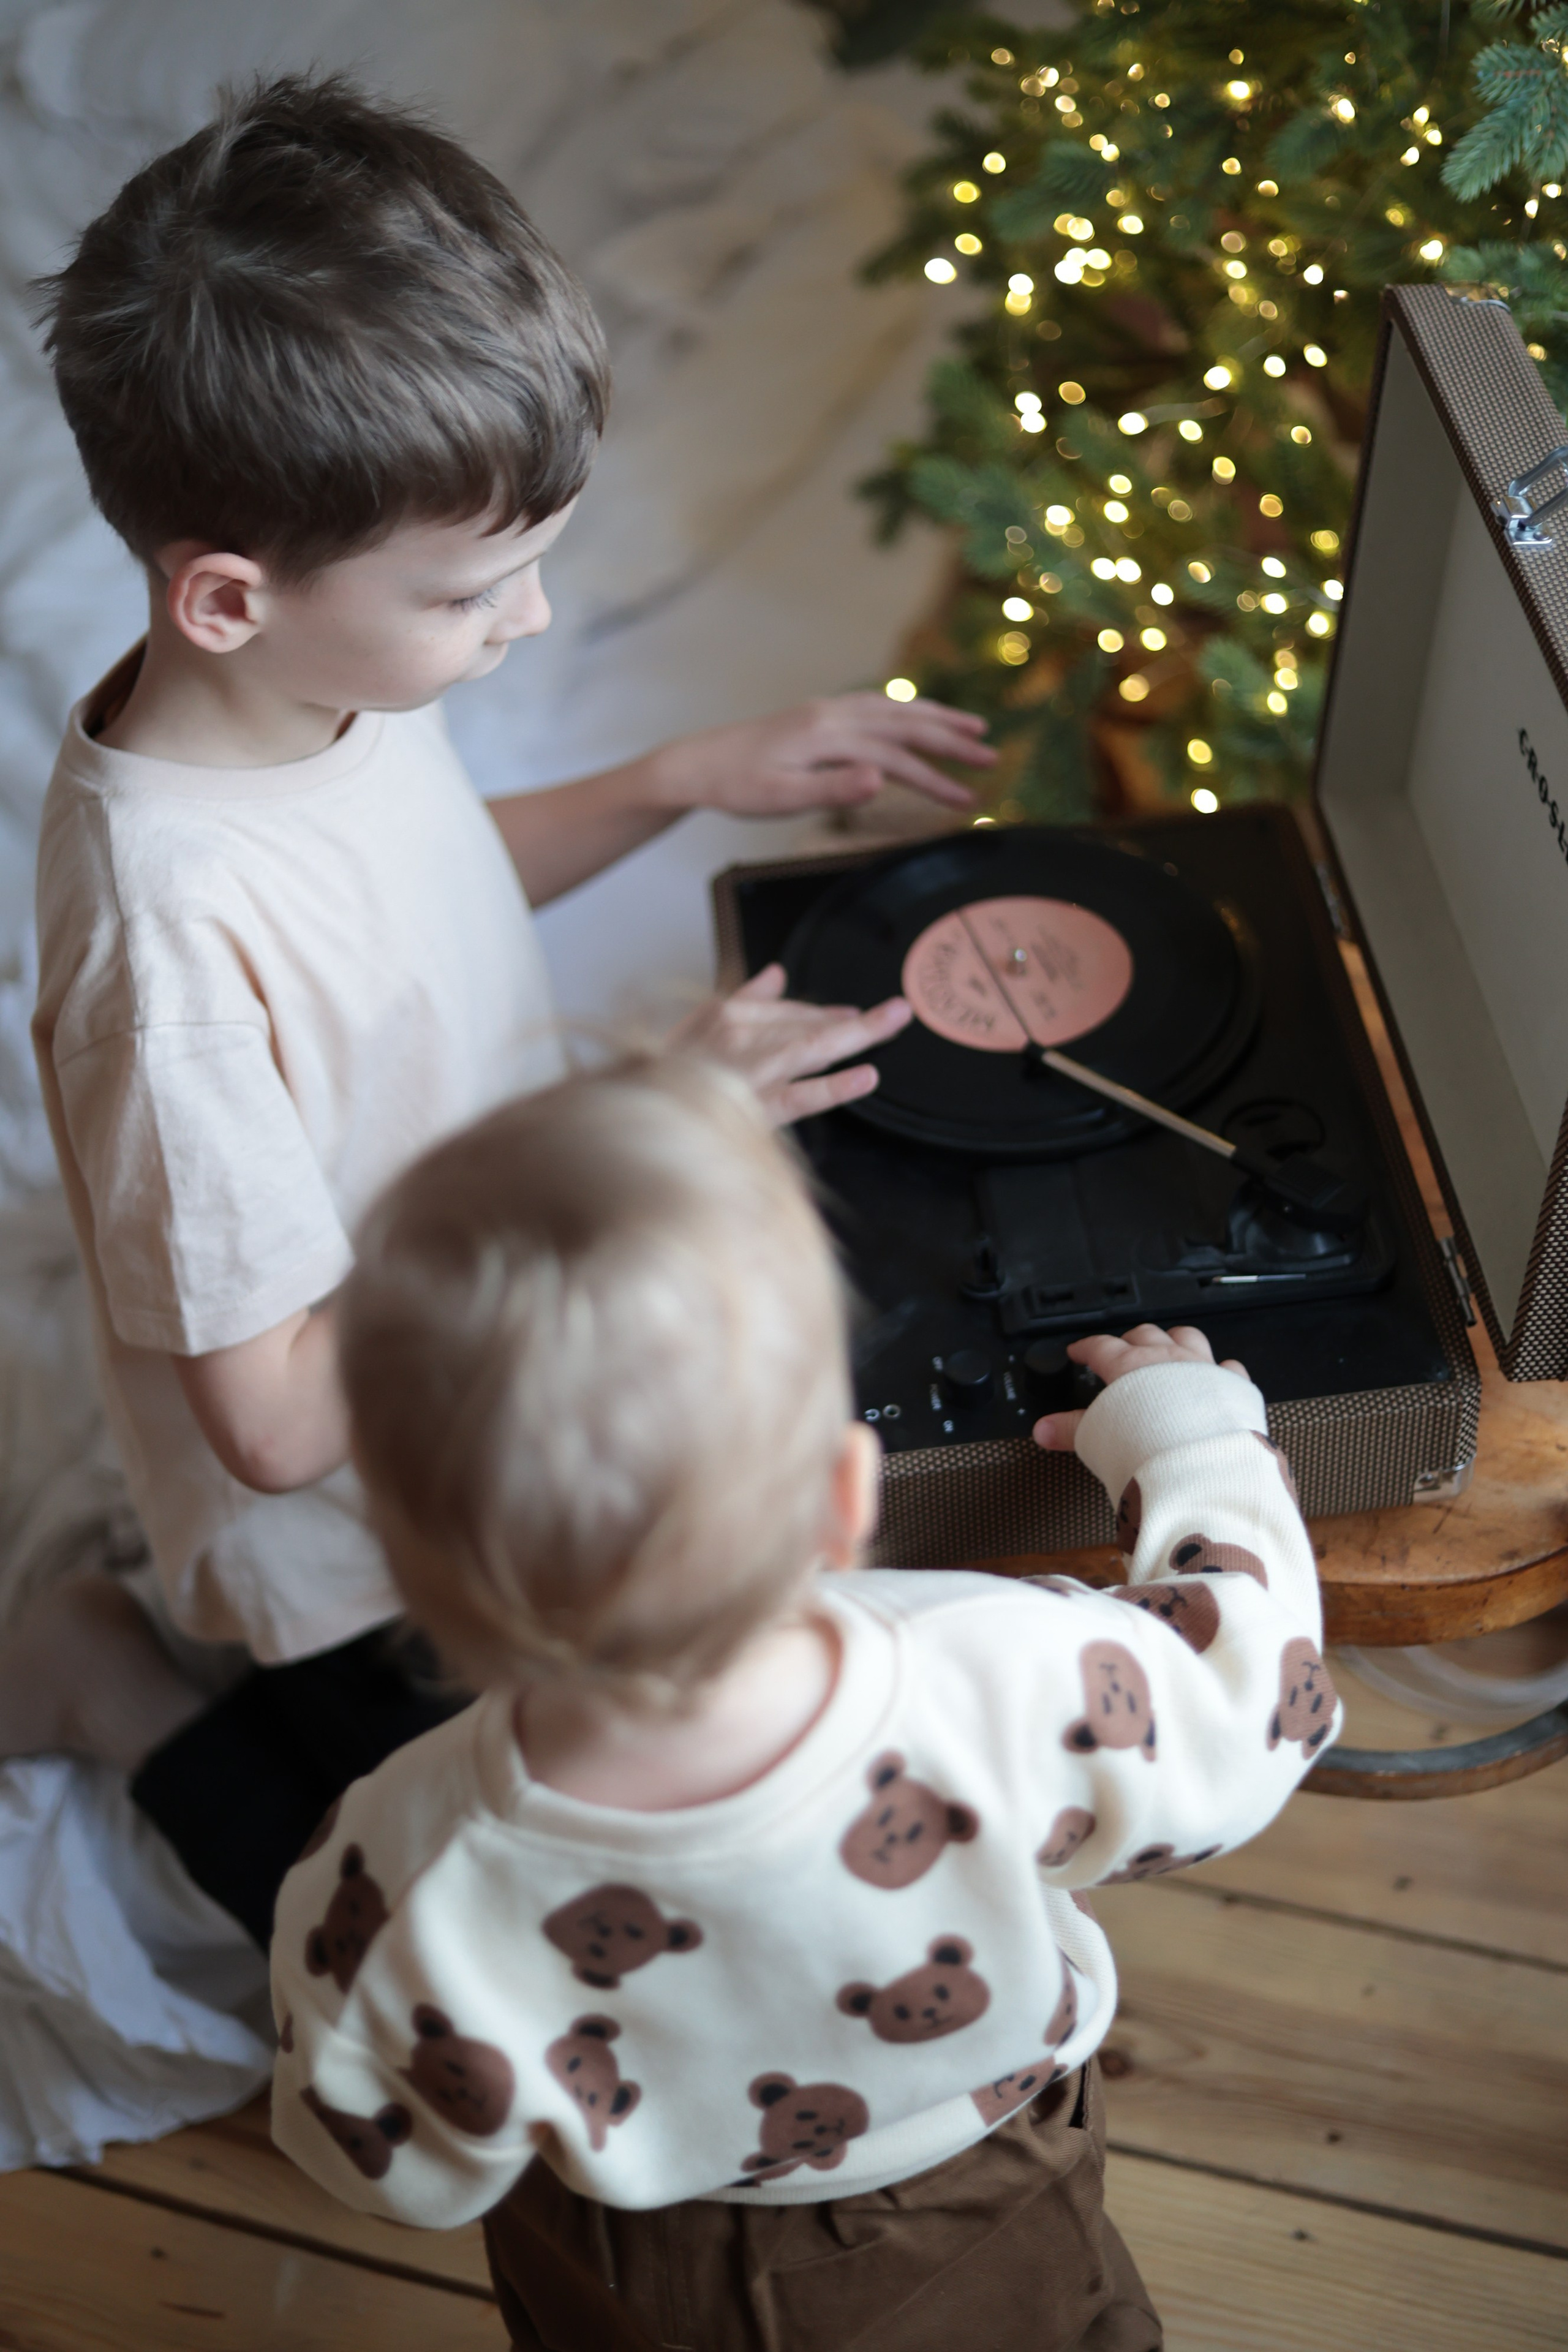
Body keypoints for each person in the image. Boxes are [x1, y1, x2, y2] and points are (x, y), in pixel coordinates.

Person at [0, 75, 993, 1940]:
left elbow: (421, 884)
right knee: (432, 1921)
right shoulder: (170, 954)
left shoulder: (323, 692)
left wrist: (680, 774)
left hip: (488, 1385)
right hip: (374, 1550)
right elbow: (280, 1422)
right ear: (225, 598)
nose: (526, 626)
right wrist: (636, 1137)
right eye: (478, 591)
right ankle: (105, 1690)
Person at [270, 1050, 1340, 2352]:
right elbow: (1254, 1701)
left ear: (406, 1563)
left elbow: (389, 2166)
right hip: (972, 2212)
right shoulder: (994, 1675)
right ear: (847, 1495)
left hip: (620, 2260)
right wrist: (1190, 1437)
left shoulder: (394, 1861)